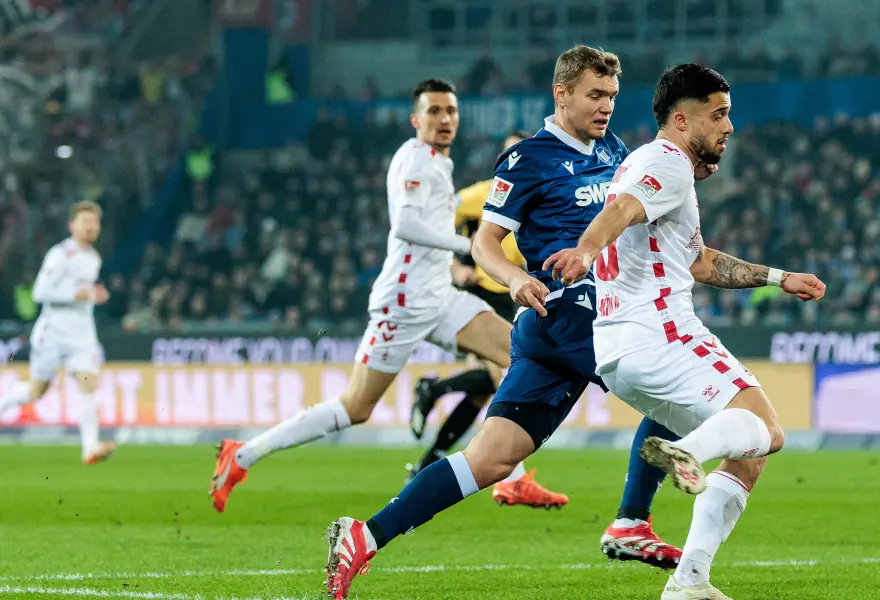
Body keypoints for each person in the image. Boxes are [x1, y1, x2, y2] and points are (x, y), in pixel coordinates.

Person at [322, 46, 684, 600]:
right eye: (594, 95)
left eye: (611, 96)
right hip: (570, 313)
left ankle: (364, 536)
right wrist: (513, 278)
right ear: (561, 94)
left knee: (490, 460)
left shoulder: (612, 148)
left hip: (556, 331)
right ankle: (632, 521)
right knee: (676, 386)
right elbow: (483, 242)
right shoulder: (527, 160)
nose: (606, 106)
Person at [544, 64, 826, 599]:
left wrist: (778, 278)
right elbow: (623, 210)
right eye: (718, 115)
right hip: (661, 333)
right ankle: (688, 451)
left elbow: (698, 263)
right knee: (766, 430)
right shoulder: (666, 162)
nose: (729, 127)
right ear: (680, 120)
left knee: (748, 453)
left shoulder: (651, 168)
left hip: (619, 353)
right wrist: (584, 249)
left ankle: (690, 581)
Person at [209, 78, 518, 513]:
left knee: (518, 354)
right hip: (405, 301)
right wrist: (465, 247)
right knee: (356, 407)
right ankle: (242, 455)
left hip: (439, 296)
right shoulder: (414, 160)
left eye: (450, 111)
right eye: (433, 111)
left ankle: (512, 479)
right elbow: (405, 226)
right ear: (416, 119)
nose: (444, 119)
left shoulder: (438, 163)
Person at [408, 130, 566, 508]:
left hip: (516, 291)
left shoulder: (544, 188)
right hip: (486, 289)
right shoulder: (480, 193)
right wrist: (452, 265)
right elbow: (431, 225)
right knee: (505, 374)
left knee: (485, 390)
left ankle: (431, 452)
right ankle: (509, 477)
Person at [0, 201, 114, 464]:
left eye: (94, 222)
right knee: (35, 392)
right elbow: (41, 292)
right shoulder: (60, 255)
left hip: (82, 332)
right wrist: (77, 295)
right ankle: (9, 397)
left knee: (88, 382)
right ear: (71, 225)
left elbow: (83, 290)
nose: (90, 227)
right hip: (54, 330)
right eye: (85, 221)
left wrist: (95, 295)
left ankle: (90, 447)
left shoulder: (93, 258)